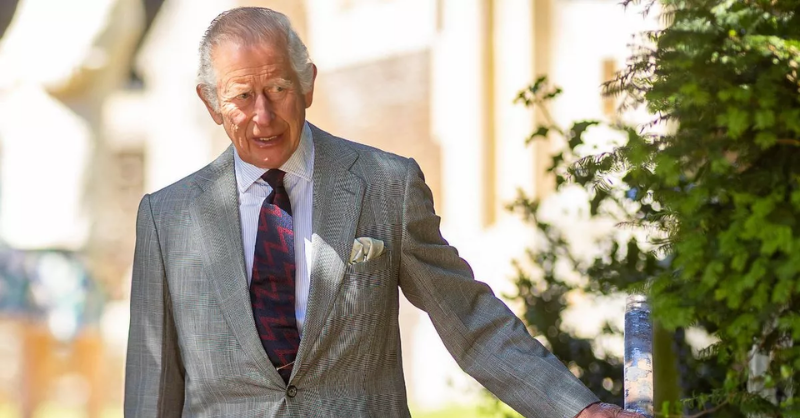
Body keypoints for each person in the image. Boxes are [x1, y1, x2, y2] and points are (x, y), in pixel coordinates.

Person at [124, 7, 645, 418]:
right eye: (241, 95)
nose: (263, 115)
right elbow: (153, 384)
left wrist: (576, 409)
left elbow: (468, 318)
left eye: (278, 88)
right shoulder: (166, 218)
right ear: (211, 103)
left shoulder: (386, 186)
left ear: (307, 83)